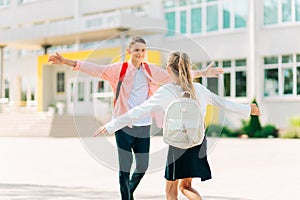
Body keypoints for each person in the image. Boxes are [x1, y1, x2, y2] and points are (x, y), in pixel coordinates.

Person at [48, 36, 224, 200]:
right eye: (137, 50)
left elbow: (175, 75)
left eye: (143, 50)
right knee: (125, 169)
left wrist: (203, 73)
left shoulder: (149, 70)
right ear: (129, 52)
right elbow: (95, 69)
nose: (140, 53)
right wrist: (65, 61)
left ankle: (128, 193)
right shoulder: (119, 69)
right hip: (123, 125)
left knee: (142, 166)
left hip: (143, 124)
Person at [94, 51, 260, 200]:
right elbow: (223, 103)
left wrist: (112, 125)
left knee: (171, 190)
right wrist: (248, 109)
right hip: (197, 142)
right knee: (186, 187)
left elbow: (139, 111)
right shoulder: (200, 89)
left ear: (168, 69)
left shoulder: (166, 91)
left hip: (177, 144)